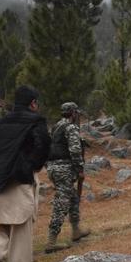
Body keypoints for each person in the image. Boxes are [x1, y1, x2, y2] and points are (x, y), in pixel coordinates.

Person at [0, 86, 51, 262]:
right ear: (33, 103)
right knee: (20, 237)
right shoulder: (36, 121)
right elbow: (43, 147)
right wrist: (30, 167)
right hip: (20, 183)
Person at [45, 102, 91, 253]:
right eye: (76, 113)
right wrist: (80, 169)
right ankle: (51, 242)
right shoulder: (70, 128)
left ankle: (76, 230)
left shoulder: (56, 127)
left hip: (53, 167)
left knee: (72, 197)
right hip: (64, 168)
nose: (77, 115)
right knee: (62, 202)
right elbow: (75, 149)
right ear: (73, 113)